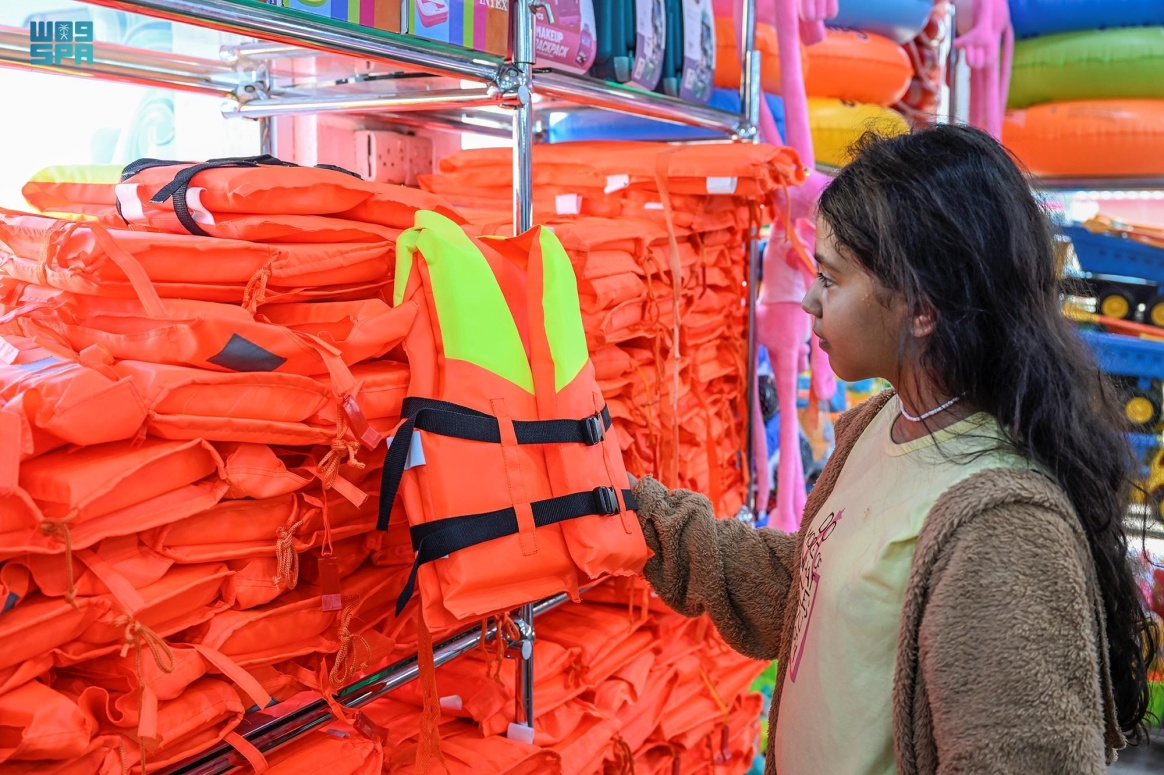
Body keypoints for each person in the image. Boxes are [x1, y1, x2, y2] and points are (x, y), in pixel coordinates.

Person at [628, 124, 1159, 774]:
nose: (810, 300)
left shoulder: (1005, 528)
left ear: (921, 308)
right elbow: (814, 595)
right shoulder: (880, 425)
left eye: (831, 277)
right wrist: (643, 520)